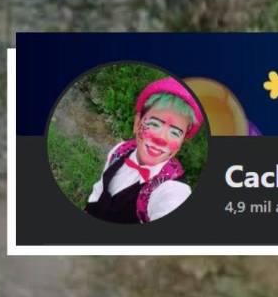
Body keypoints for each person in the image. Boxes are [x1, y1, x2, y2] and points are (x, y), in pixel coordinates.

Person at [85, 76, 203, 223]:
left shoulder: (173, 190)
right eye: (154, 124)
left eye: (175, 133)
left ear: (181, 143)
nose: (161, 138)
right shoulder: (120, 150)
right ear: (137, 123)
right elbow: (99, 188)